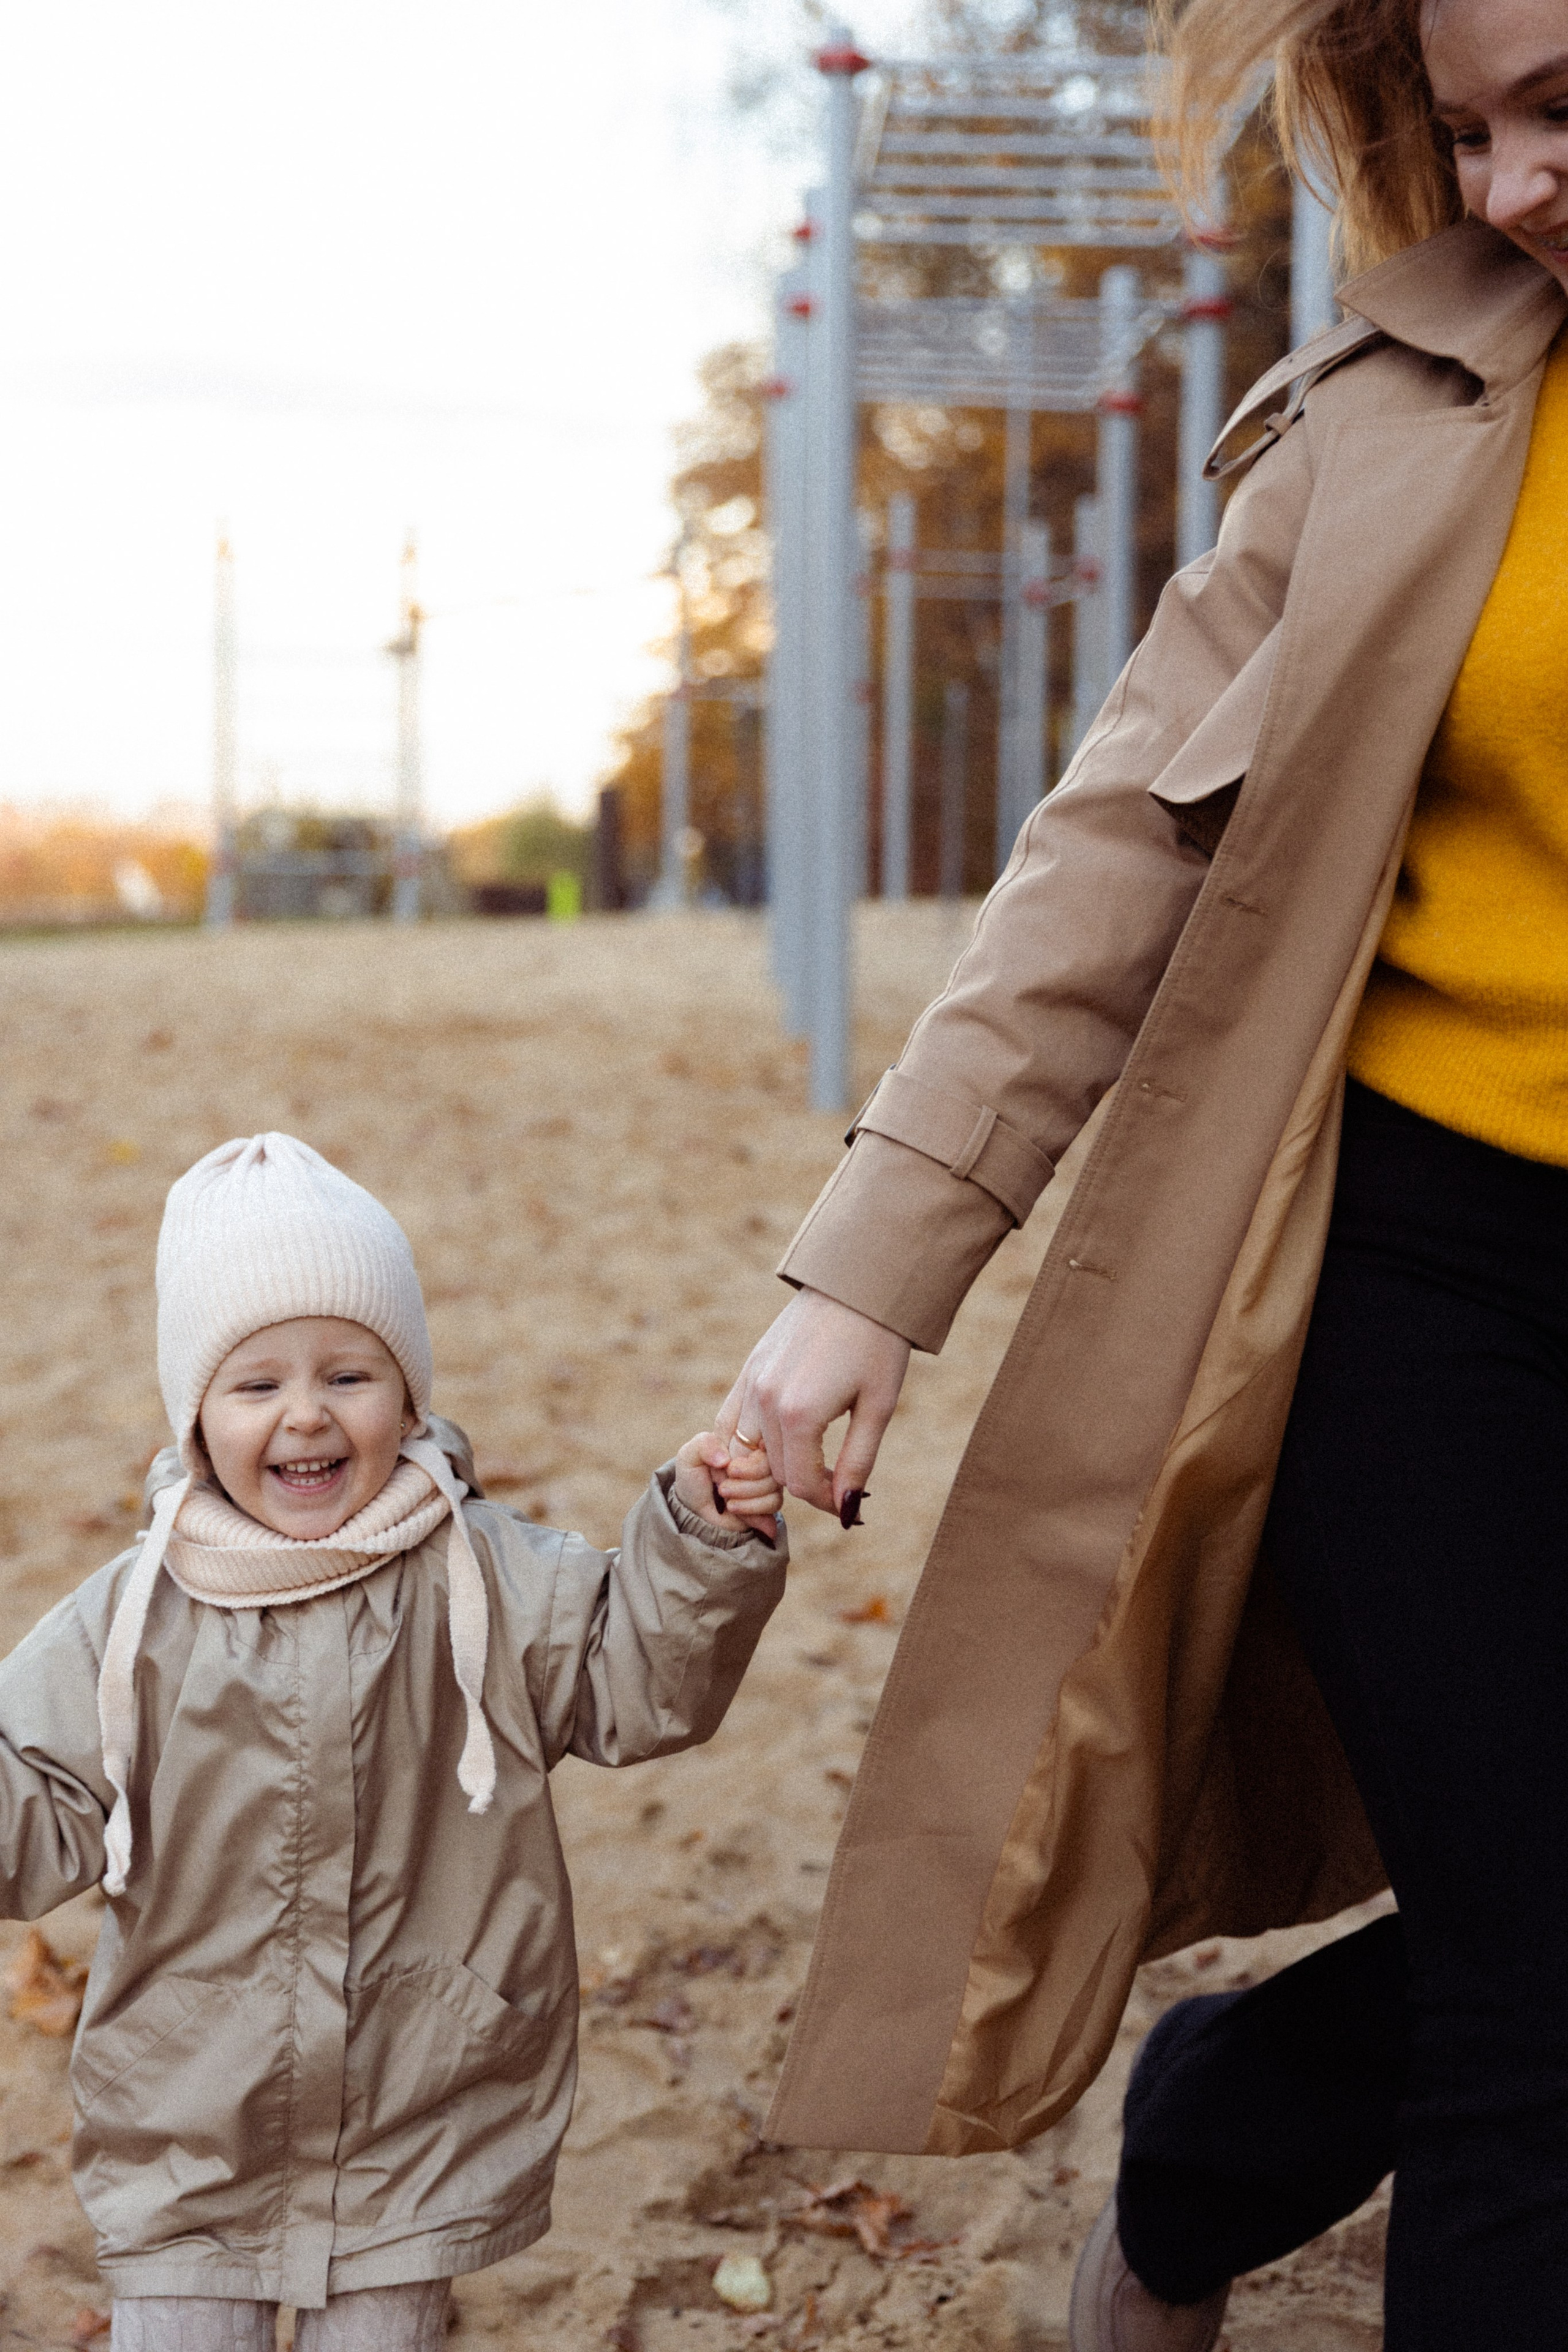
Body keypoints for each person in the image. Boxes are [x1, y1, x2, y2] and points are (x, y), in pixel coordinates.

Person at [718, 0, 1568, 2344]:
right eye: (1466, 128)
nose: (1501, 189)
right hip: (1434, 1275)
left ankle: (1213, 2133)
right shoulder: (1400, 422)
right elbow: (1115, 864)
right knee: (1546, 2014)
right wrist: (871, 1277)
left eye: (1559, 111)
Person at [0, 1132, 785, 2352]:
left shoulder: (491, 1574)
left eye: (349, 1375)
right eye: (256, 1384)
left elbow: (641, 1689)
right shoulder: (130, 1619)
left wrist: (695, 1541)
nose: (305, 1414)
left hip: (420, 2119)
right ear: (196, 1416)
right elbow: (36, 1817)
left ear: (409, 1393)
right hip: (184, 2121)